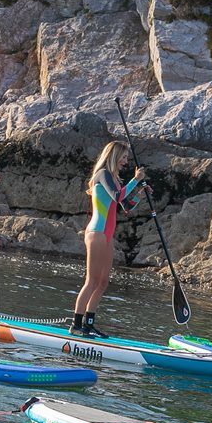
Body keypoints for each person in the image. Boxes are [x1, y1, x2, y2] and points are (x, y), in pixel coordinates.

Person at [69, 141, 148, 338]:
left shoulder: (114, 178)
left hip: (107, 235)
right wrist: (135, 180)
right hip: (96, 232)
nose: (126, 161)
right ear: (114, 156)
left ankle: (88, 323)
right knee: (92, 280)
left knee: (103, 282)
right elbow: (116, 196)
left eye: (127, 158)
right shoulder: (103, 174)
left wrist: (140, 194)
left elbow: (125, 206)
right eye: (123, 157)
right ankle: (76, 325)